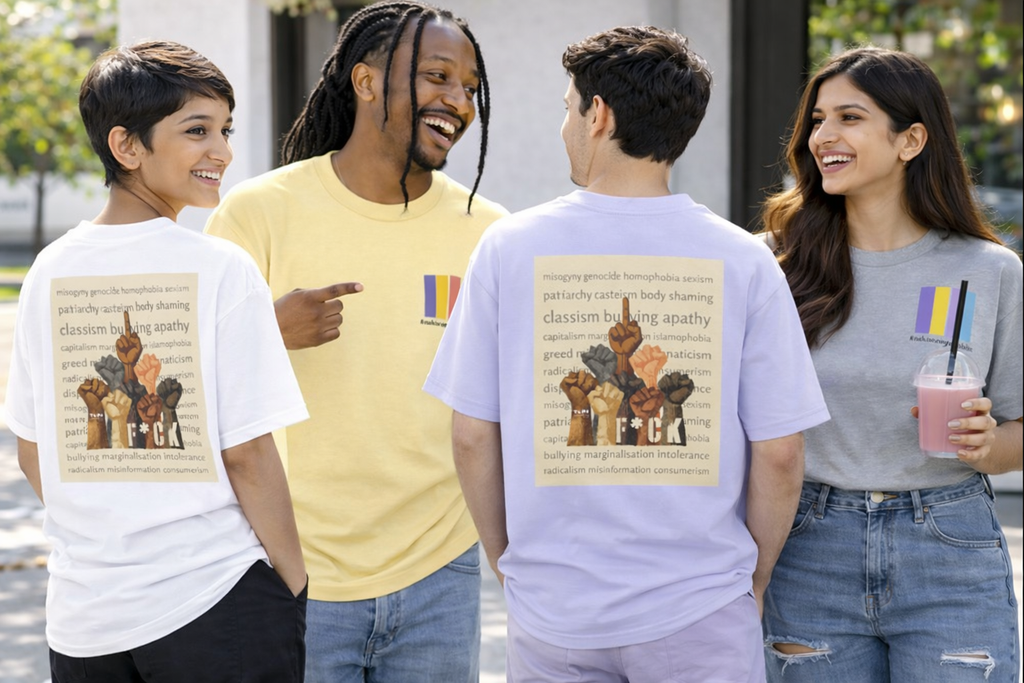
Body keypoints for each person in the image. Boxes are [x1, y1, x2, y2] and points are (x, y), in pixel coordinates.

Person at [424, 25, 831, 682]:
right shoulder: (743, 260)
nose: (563, 127)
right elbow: (781, 452)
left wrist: (508, 565)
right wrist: (745, 584)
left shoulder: (509, 247)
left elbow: (472, 433)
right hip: (699, 604)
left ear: (599, 114)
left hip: (554, 608)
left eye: (567, 109)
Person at [204, 2, 506, 680]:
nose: (458, 101)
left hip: (440, 572)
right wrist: (266, 333)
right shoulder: (258, 213)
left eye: (469, 86)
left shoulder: (489, 232)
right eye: (437, 76)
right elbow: (185, 391)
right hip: (291, 569)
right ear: (366, 82)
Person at [3, 41, 309, 682]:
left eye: (225, 129)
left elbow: (34, 451)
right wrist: (293, 582)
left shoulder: (47, 272)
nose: (221, 151)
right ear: (127, 146)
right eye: (196, 130)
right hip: (214, 598)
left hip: (85, 617)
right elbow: (247, 453)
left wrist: (108, 533)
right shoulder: (220, 267)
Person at [759, 46, 1023, 682]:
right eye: (818, 119)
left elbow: (1017, 432)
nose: (824, 136)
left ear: (911, 140)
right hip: (807, 547)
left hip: (949, 546)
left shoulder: (986, 272)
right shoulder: (770, 264)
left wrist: (986, 446)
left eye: (849, 118)